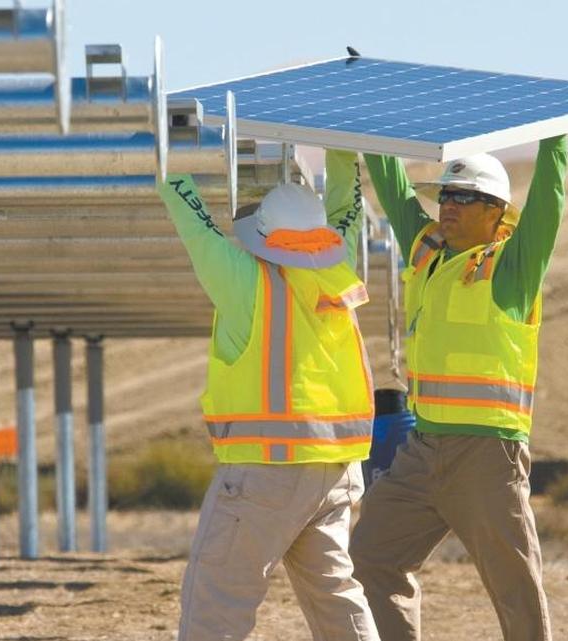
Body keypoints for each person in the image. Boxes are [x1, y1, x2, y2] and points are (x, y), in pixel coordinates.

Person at [350, 135, 568, 641]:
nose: (447, 205)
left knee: (515, 587)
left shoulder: (513, 266)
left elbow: (549, 202)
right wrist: (366, 128)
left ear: (496, 211)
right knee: (371, 557)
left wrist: (555, 137)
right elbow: (392, 184)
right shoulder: (426, 251)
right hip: (421, 450)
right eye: (445, 195)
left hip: (488, 455)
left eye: (464, 197)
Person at [158, 149, 380, 641]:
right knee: (335, 597)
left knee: (217, 600)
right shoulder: (338, 268)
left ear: (262, 236)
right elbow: (347, 208)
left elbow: (195, 226)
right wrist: (342, 148)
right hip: (337, 471)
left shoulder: (246, 281)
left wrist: (166, 150)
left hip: (267, 472)